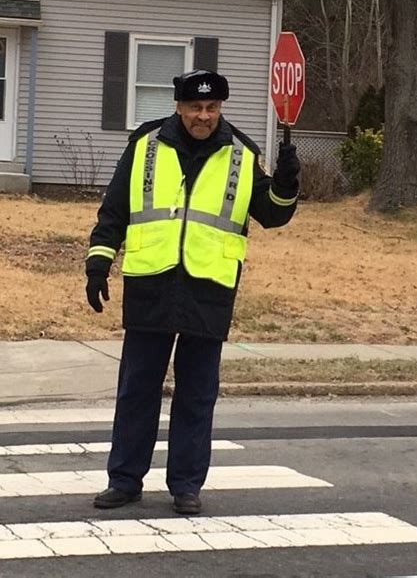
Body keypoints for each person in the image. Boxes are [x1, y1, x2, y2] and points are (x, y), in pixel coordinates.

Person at [86, 69, 300, 514]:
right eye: (195, 108)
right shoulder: (144, 146)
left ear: (220, 108)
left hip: (209, 288)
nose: (204, 116)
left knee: (197, 394)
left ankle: (186, 485)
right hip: (152, 283)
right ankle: (124, 480)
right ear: (179, 107)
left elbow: (273, 215)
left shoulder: (242, 155)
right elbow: (115, 209)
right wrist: (98, 261)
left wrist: (286, 184)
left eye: (212, 108)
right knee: (137, 390)